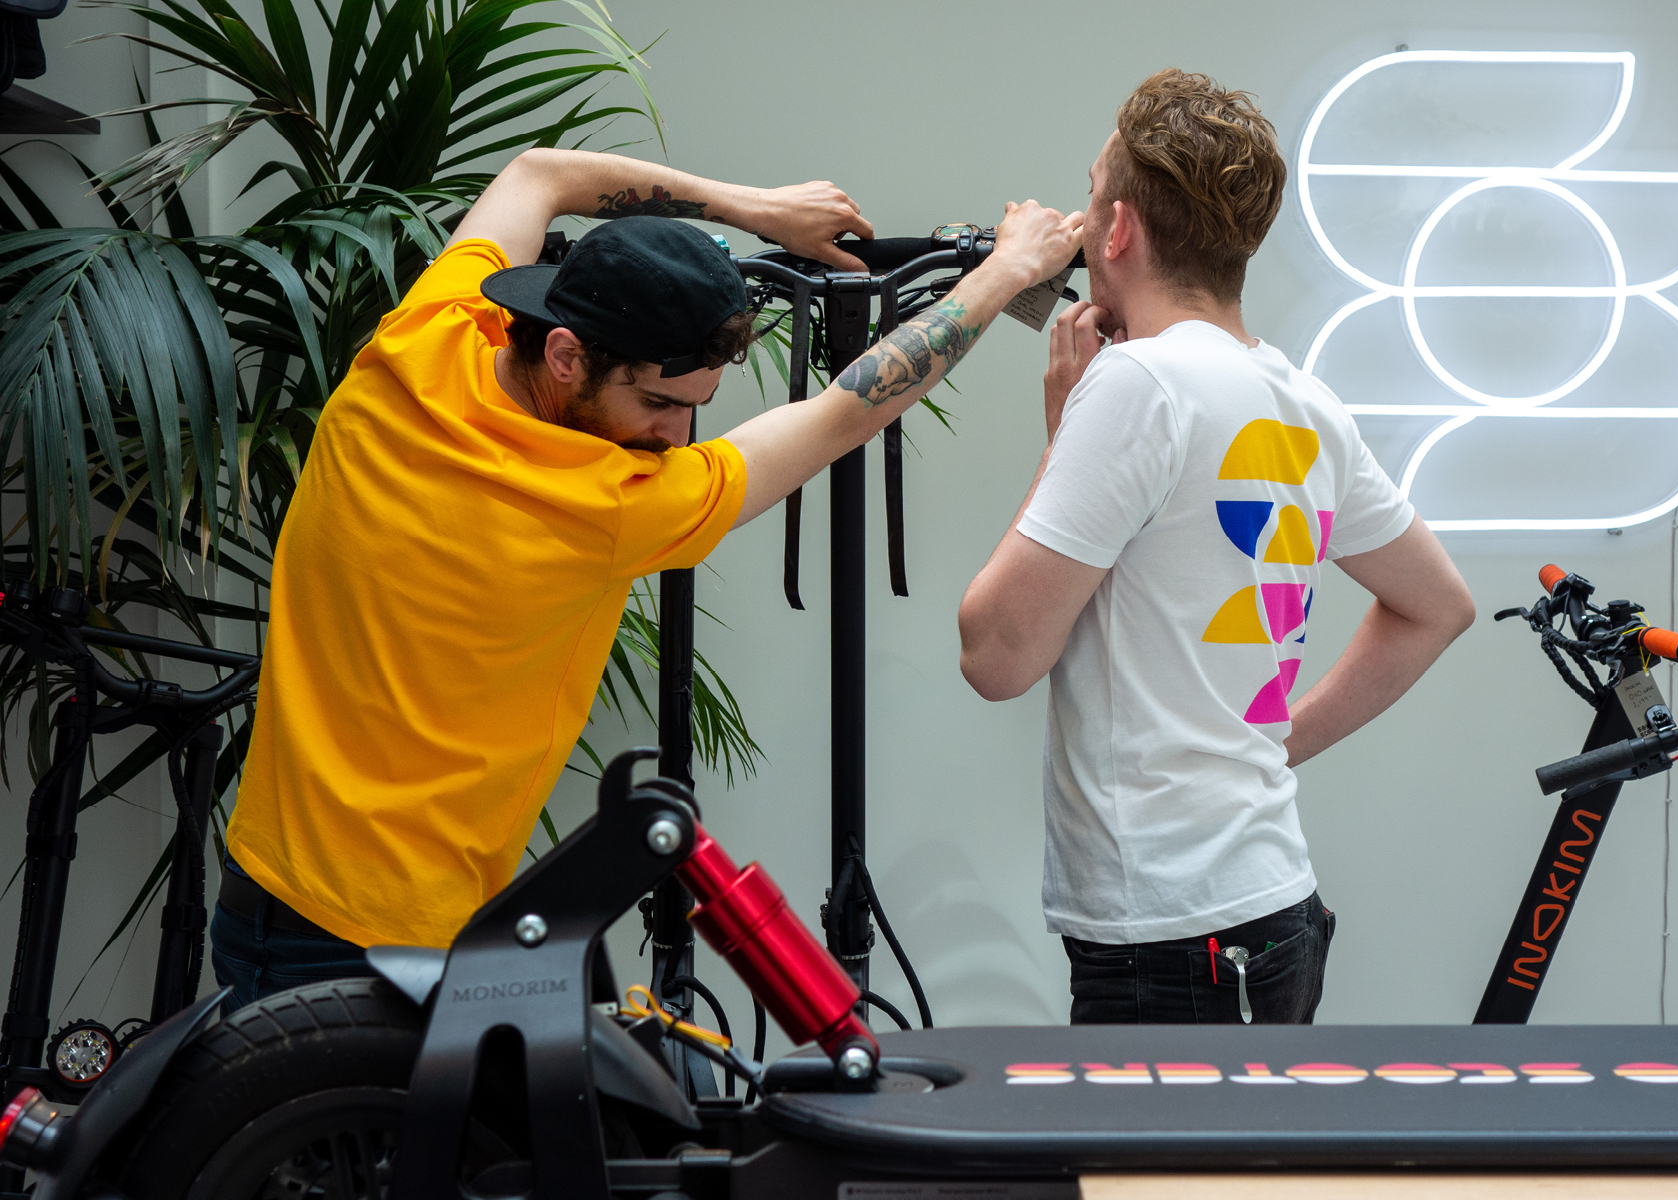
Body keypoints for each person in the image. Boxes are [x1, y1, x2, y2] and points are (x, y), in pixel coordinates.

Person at [214, 147, 1083, 1010]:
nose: (675, 435)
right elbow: (846, 411)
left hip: (274, 894)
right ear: (564, 355)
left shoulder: (421, 342)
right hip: (363, 947)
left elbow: (535, 176)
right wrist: (1009, 271)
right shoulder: (603, 504)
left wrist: (759, 207)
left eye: (693, 404)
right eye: (659, 404)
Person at [957, 71, 1475, 1025]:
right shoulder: (1301, 400)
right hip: (1268, 905)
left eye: (1089, 195)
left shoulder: (1137, 386)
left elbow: (994, 654)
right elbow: (1439, 605)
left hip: (1171, 936)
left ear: (1117, 231)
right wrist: (1273, 749)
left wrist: (1061, 430)